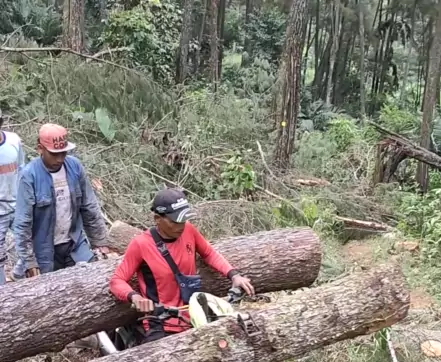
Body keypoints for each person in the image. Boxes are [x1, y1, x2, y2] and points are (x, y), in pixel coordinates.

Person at [109, 187, 254, 338]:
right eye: (175, 221)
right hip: (160, 323)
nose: (181, 225)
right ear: (158, 219)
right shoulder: (141, 244)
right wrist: (135, 297)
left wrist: (234, 275)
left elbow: (209, 253)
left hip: (195, 316)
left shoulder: (189, 230)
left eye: (184, 220)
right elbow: (116, 281)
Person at [14, 123, 109, 278]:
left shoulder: (74, 167)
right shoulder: (30, 175)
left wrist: (100, 242)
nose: (59, 159)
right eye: (54, 154)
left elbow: (89, 207)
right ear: (40, 149)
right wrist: (29, 261)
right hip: (44, 249)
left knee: (91, 278)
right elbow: (23, 222)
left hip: (74, 243)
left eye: (63, 153)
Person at [0, 110, 24, 286]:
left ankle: (19, 275)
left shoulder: (13, 140)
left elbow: (22, 169)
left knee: (33, 242)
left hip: (18, 205)